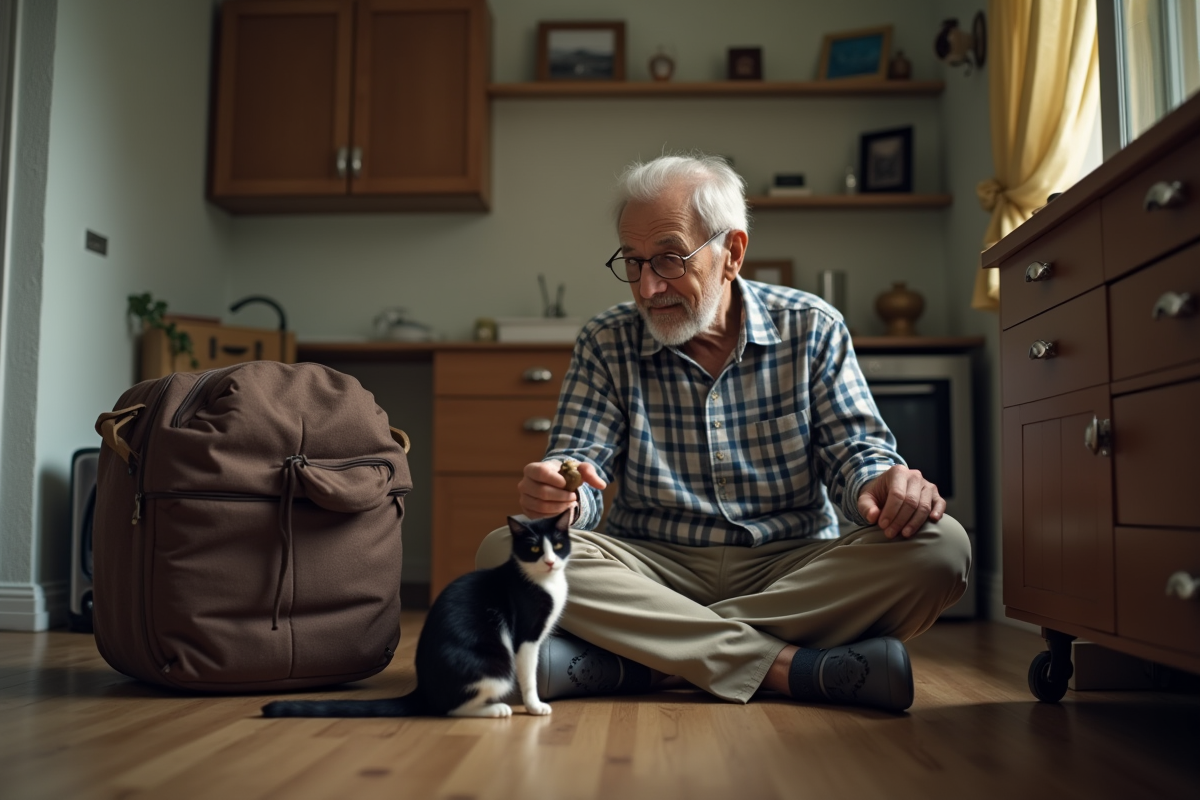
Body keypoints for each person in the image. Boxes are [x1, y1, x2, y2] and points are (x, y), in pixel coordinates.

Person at [477, 153, 970, 713]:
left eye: (667, 259)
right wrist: (563, 496)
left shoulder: (811, 326)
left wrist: (882, 484)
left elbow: (856, 452)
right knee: (501, 552)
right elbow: (580, 466)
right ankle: (788, 668)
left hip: (790, 567)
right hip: (650, 567)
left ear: (731, 253)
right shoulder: (606, 340)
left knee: (943, 547)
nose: (647, 286)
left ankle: (643, 662)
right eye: (633, 262)